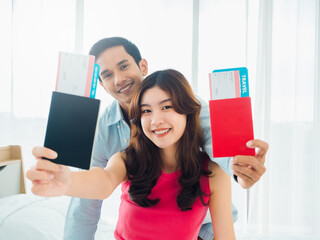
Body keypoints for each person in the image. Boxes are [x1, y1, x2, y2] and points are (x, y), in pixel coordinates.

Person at [37, 37, 268, 240]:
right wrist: (65, 181)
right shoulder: (114, 143)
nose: (118, 79)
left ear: (142, 65)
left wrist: (241, 172)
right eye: (146, 111)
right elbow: (98, 186)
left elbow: (218, 145)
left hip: (202, 222)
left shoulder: (192, 108)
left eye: (124, 66)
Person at [27, 69, 236, 240]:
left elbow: (225, 237)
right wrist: (67, 182)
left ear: (187, 112)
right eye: (146, 111)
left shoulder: (213, 174)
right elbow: (103, 181)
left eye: (167, 107)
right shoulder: (128, 159)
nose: (156, 120)